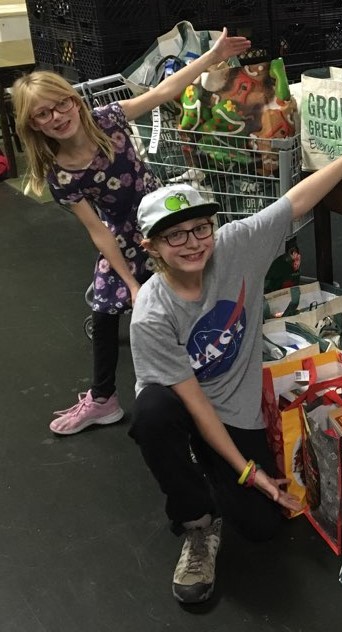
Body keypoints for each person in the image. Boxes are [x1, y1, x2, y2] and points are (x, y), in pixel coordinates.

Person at [129, 115, 342, 604]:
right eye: (174, 236)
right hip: (184, 406)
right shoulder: (151, 314)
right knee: (152, 415)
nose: (193, 243)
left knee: (262, 529)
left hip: (234, 409)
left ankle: (213, 467)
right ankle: (197, 522)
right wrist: (247, 471)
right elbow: (193, 401)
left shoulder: (236, 246)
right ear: (149, 245)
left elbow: (299, 197)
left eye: (200, 229)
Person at [12, 29, 252, 436]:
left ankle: (215, 373)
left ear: (75, 101)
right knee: (104, 307)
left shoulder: (109, 120)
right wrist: (129, 283)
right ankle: (103, 398)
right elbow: (98, 233)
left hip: (164, 221)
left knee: (195, 290)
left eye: (62, 103)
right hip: (123, 236)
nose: (57, 116)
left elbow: (165, 90)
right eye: (42, 113)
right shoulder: (60, 174)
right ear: (31, 124)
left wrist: (211, 56)